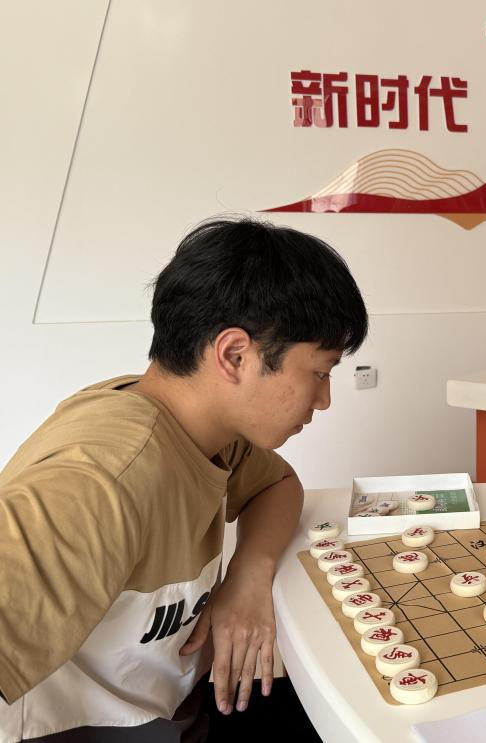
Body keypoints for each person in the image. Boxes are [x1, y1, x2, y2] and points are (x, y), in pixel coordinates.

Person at [0, 217, 368, 741]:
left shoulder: (208, 428)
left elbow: (278, 485)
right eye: (320, 372)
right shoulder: (103, 481)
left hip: (177, 705)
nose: (324, 400)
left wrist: (248, 573)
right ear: (235, 355)